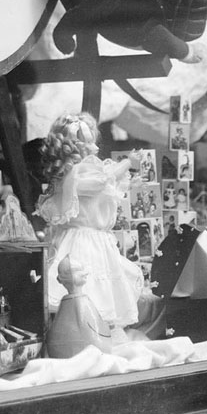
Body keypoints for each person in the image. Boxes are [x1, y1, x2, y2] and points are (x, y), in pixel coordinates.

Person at [35, 113, 144, 332]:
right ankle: (82, 333)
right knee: (88, 289)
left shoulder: (85, 170)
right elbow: (100, 182)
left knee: (98, 292)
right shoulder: (76, 172)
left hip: (96, 239)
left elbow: (104, 188)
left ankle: (96, 333)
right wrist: (127, 163)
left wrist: (127, 180)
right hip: (83, 240)